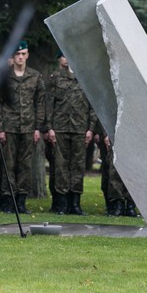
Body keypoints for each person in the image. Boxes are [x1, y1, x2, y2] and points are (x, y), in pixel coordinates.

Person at [0, 40, 45, 214]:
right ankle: (8, 201)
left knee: (25, 166)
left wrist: (38, 127)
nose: (20, 57)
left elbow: (40, 103)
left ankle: (21, 201)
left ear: (27, 55)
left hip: (29, 128)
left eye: (23, 54)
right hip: (9, 127)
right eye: (17, 54)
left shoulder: (35, 76)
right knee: (8, 165)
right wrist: (0, 128)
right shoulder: (4, 77)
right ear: (12, 57)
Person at [46, 52, 94, 215]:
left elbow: (92, 106)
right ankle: (61, 203)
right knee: (60, 166)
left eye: (69, 54)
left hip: (80, 128)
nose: (67, 58)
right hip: (60, 127)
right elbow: (49, 103)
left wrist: (91, 129)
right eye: (63, 55)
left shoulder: (86, 77)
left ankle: (75, 204)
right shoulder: (55, 77)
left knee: (78, 166)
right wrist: (49, 127)